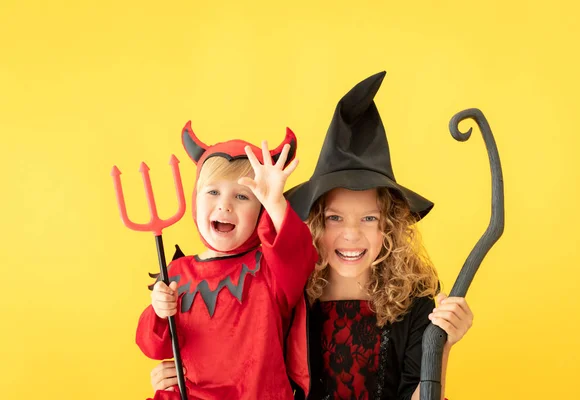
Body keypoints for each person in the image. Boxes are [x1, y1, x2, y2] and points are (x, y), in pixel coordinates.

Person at [149, 72, 474, 400]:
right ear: (315, 223)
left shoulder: (414, 304)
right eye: (335, 218)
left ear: (388, 227)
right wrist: (185, 371)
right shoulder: (287, 289)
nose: (351, 234)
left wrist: (439, 345)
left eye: (368, 218)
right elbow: (234, 349)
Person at [136, 122, 318, 400]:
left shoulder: (269, 268)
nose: (224, 205)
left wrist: (275, 203)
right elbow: (153, 347)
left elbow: (299, 256)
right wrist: (159, 313)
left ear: (260, 213)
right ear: (195, 201)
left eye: (242, 196)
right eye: (212, 192)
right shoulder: (177, 273)